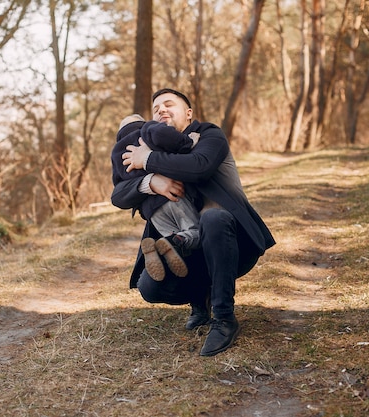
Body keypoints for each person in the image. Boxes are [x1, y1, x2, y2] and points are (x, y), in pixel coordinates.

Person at [111, 88, 276, 357]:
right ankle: (200, 302)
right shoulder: (148, 145)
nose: (161, 110)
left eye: (168, 104)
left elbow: (199, 166)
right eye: (155, 109)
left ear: (188, 113)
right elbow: (118, 195)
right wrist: (150, 181)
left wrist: (149, 160)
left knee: (212, 218)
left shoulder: (209, 134)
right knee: (149, 287)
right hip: (188, 249)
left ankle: (224, 318)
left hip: (233, 243)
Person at [111, 114, 203, 281]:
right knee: (195, 231)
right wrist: (187, 142)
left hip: (151, 212)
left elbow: (118, 185)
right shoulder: (146, 131)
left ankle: (158, 250)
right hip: (173, 197)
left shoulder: (117, 152)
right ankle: (180, 240)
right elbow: (164, 136)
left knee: (170, 243)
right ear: (141, 123)